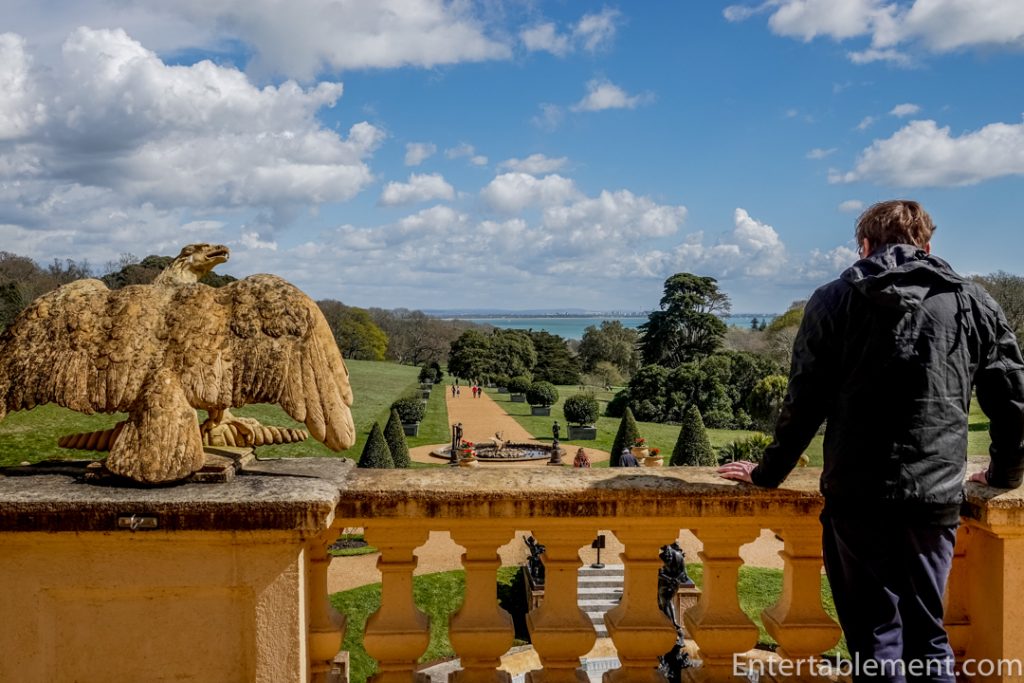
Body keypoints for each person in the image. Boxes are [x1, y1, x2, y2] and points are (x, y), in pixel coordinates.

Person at [718, 200, 1024, 682]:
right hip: (934, 496)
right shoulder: (972, 302)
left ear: (864, 245)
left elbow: (803, 403)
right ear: (927, 245)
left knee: (875, 638)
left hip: (856, 495)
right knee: (929, 636)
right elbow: (1012, 401)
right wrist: (1005, 473)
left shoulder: (833, 300)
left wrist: (766, 473)